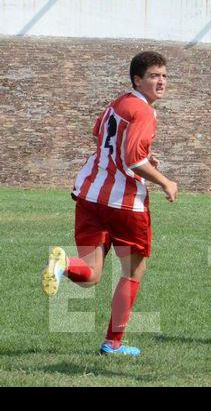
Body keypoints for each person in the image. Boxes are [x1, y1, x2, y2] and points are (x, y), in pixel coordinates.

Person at [41, 51, 178, 356]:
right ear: (137, 79)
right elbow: (133, 159)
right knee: (133, 271)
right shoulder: (143, 112)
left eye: (165, 75)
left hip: (89, 196)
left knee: (90, 274)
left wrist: (139, 157)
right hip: (125, 204)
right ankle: (112, 343)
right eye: (154, 75)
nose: (161, 81)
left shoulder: (117, 104)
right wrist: (165, 180)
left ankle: (63, 265)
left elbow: (99, 136)